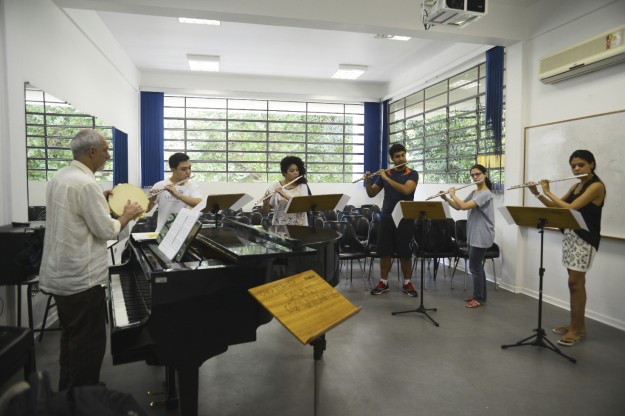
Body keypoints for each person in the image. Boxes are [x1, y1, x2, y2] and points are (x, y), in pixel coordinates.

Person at [39, 129, 145, 390]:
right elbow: (106, 230)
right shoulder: (86, 184)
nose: (109, 155)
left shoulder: (62, 176)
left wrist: (101, 198)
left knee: (72, 340)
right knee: (88, 345)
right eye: (106, 150)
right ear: (92, 152)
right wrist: (127, 214)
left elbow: (80, 214)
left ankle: (69, 394)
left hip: (62, 275)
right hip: (82, 280)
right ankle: (84, 396)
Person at [529, 150, 605, 346]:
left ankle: (576, 329)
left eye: (581, 164)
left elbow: (571, 208)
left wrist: (547, 191)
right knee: (574, 284)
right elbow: (557, 207)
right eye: (573, 165)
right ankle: (577, 325)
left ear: (592, 165)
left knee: (575, 283)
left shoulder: (596, 186)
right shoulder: (575, 186)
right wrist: (538, 193)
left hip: (585, 239)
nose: (576, 168)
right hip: (571, 236)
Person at [366, 143, 419, 297]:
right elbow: (371, 193)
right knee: (385, 251)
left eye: (403, 155)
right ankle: (384, 282)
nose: (401, 158)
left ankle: (407, 283)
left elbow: (406, 190)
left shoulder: (412, 173)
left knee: (405, 252)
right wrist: (369, 181)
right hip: (387, 217)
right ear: (392, 159)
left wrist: (385, 178)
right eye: (397, 156)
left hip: (405, 217)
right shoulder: (386, 174)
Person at [440, 164, 495, 308]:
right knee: (477, 267)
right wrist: (447, 199)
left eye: (478, 174)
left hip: (481, 235)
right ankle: (480, 295)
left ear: (485, 174)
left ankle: (478, 298)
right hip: (473, 234)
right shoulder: (474, 192)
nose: (475, 177)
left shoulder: (486, 193)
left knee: (475, 267)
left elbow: (464, 207)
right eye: (473, 175)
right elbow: (459, 206)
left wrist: (453, 194)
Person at [148, 152, 202, 232]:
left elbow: (199, 203)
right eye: (183, 169)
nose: (188, 172)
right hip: (162, 232)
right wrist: (151, 200)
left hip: (184, 232)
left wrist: (177, 195)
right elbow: (146, 210)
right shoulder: (160, 185)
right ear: (173, 170)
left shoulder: (193, 186)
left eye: (189, 168)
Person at [261, 156, 310, 226]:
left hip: (300, 228)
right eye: (292, 171)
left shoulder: (302, 186)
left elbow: (302, 205)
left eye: (297, 170)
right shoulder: (275, 186)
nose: (296, 173)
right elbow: (265, 212)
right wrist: (265, 203)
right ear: (284, 173)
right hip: (279, 227)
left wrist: (283, 194)